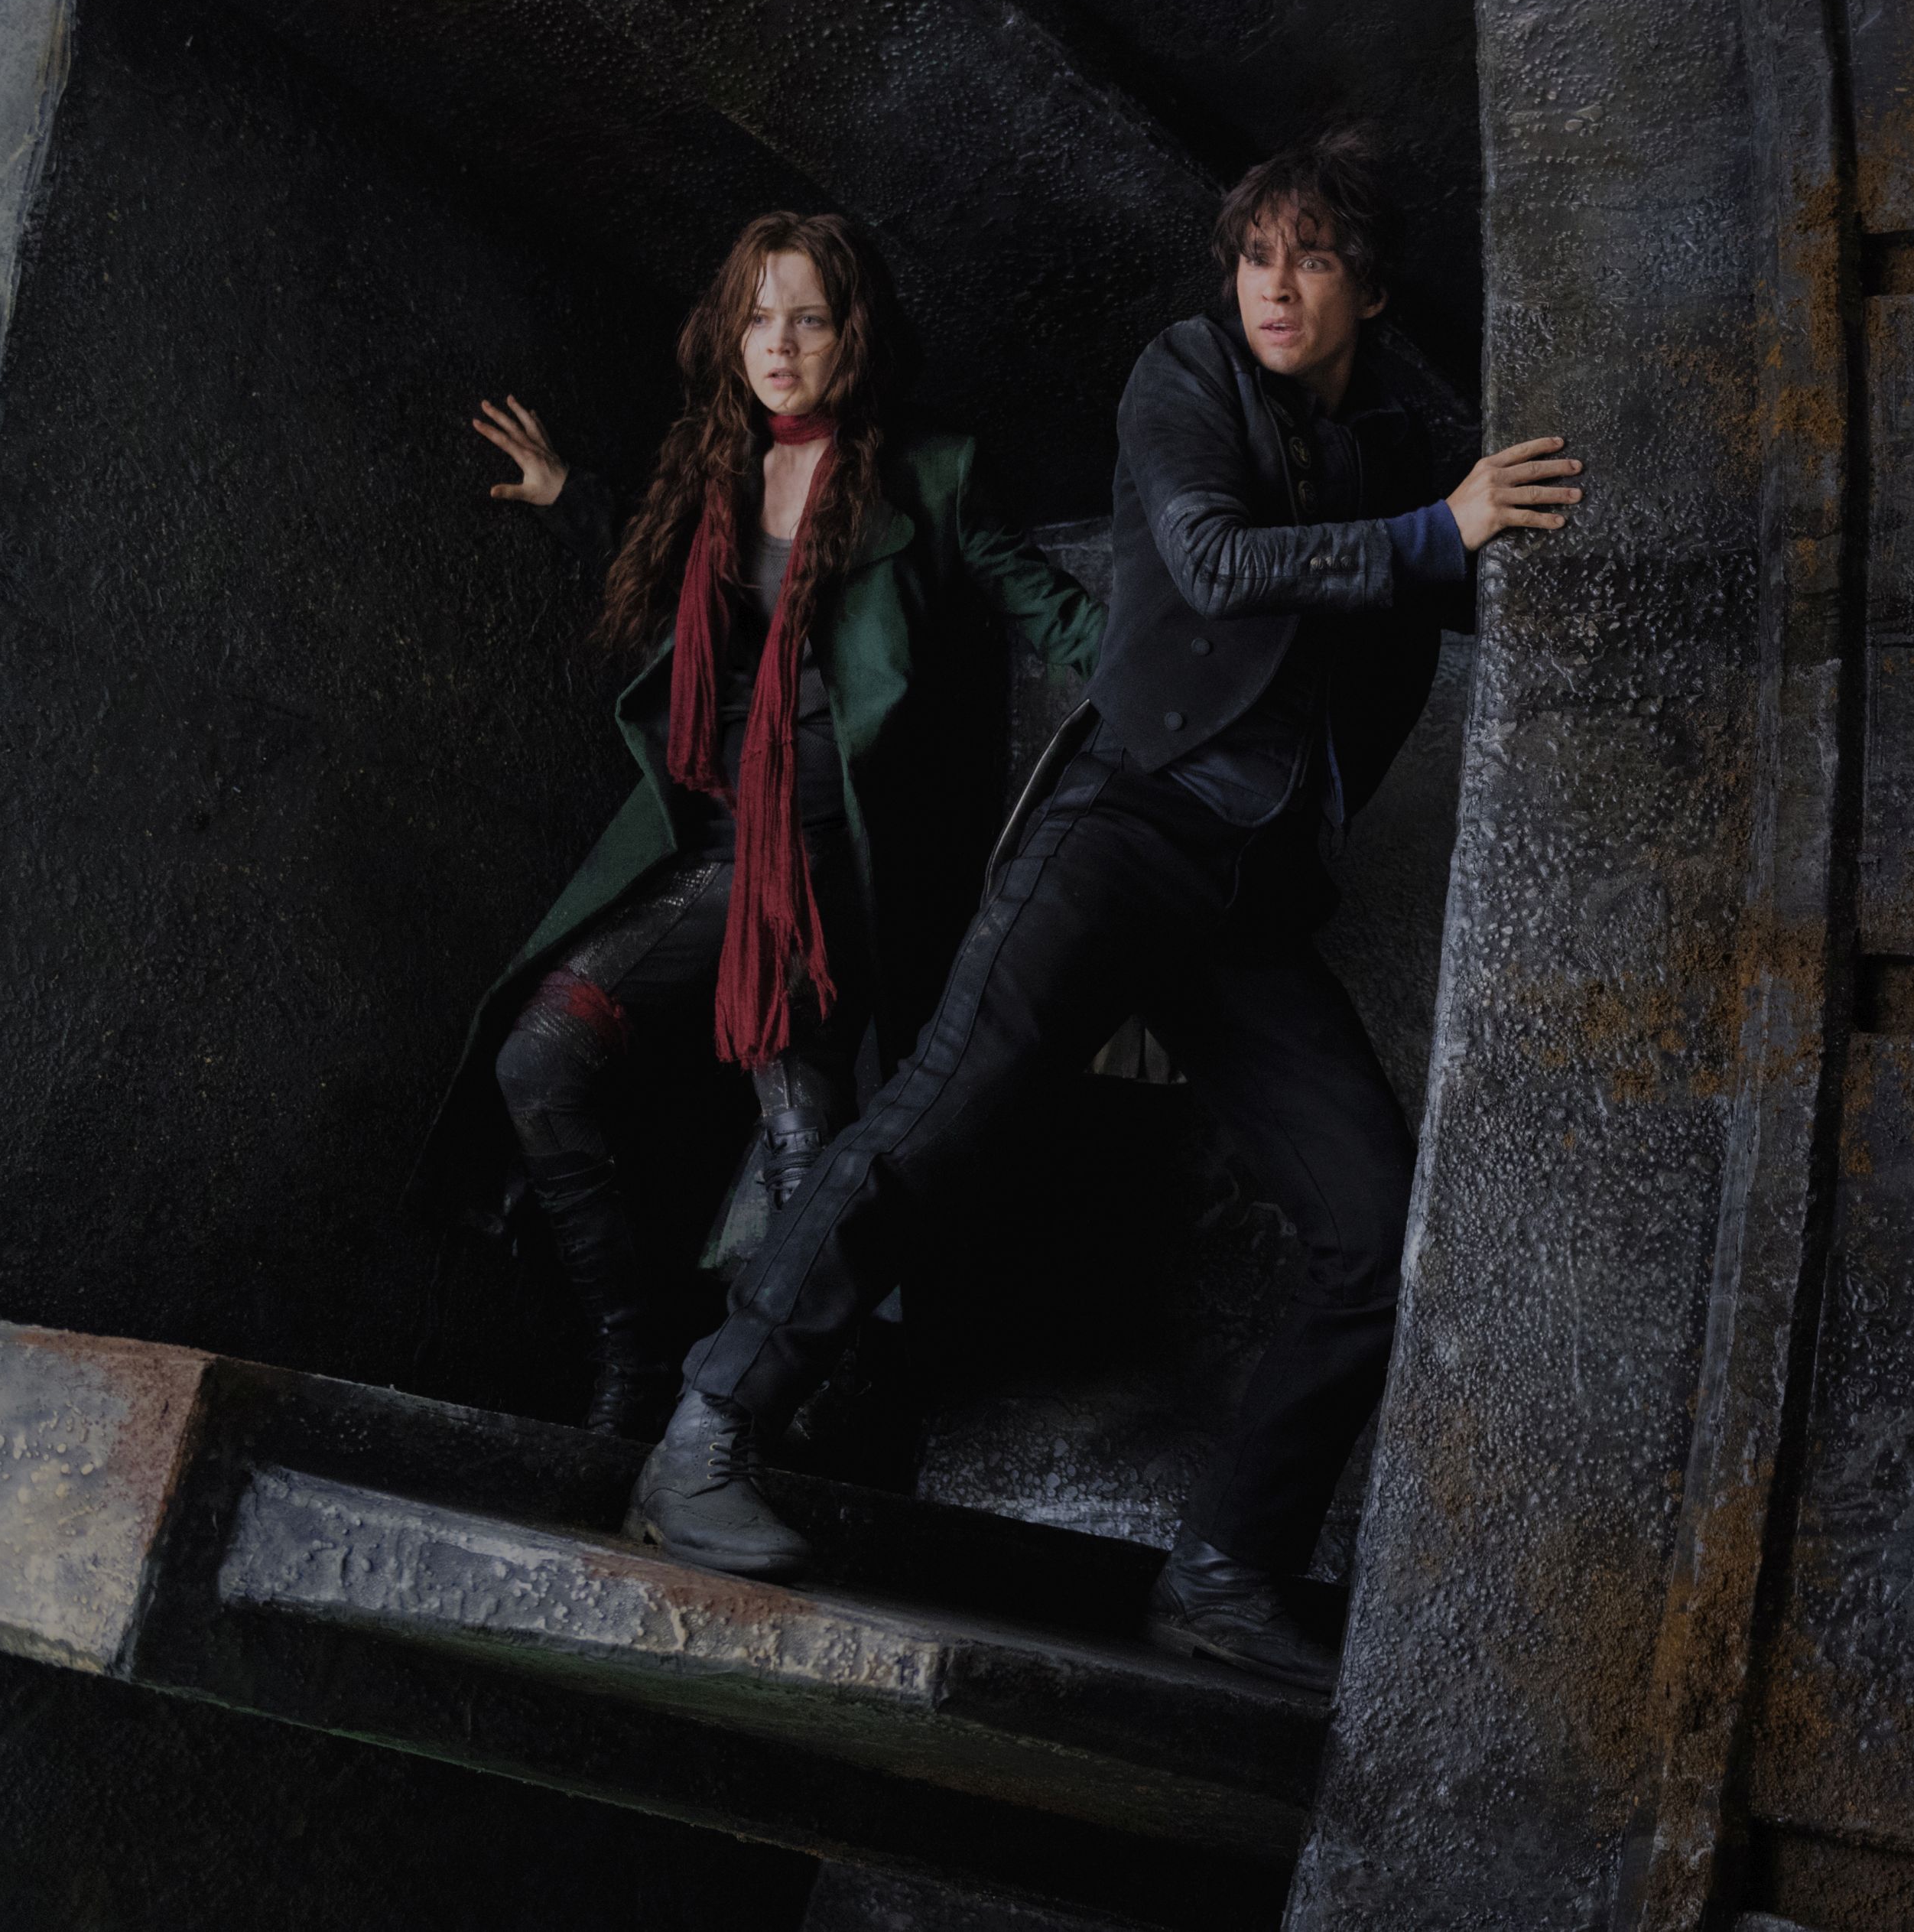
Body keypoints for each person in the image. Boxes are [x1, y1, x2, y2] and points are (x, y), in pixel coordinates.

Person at [635, 131, 1581, 1689]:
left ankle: (1224, 1571)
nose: (1274, 287)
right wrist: (1440, 530)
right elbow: (1208, 559)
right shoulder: (1185, 375)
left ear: (1370, 289)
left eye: (1312, 259)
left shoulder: (1402, 447)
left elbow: (1436, 613)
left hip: (1249, 895)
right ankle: (707, 1435)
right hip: (1126, 824)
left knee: (1374, 1227)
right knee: (933, 1121)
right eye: (1257, 256)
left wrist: (1465, 549)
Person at [414, 211, 1101, 1439]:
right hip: (713, 843)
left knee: (799, 1146)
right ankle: (649, 1361)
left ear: (856, 335)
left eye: (809, 320)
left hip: (830, 866)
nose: (778, 345)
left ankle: (736, 1427)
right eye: (757, 318)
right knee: (570, 1069)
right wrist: (573, 500)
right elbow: (672, 597)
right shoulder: (716, 467)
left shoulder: (933, 471)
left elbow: (1051, 612)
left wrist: (1183, 673)